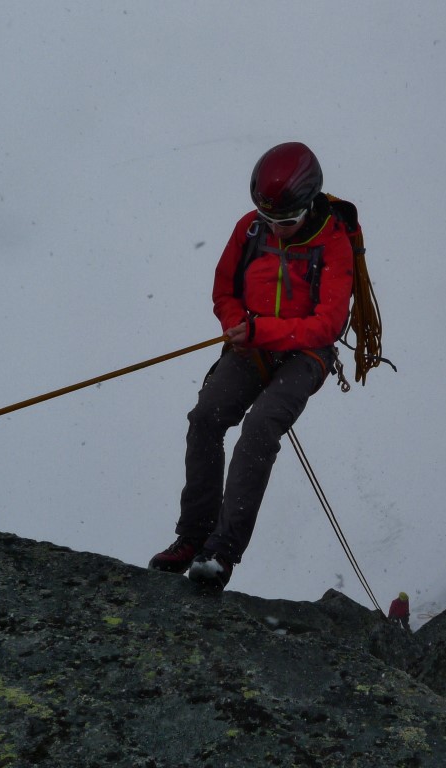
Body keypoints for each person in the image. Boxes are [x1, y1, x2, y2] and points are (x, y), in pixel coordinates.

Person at [148, 142, 355, 590]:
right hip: (254, 343)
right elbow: (224, 291)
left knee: (260, 428)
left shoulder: (334, 243)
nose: (276, 229)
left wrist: (258, 330)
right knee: (205, 419)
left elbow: (326, 326)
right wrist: (234, 323)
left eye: (287, 221)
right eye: (269, 219)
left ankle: (221, 553)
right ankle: (193, 537)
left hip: (306, 354)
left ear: (310, 205)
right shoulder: (250, 229)